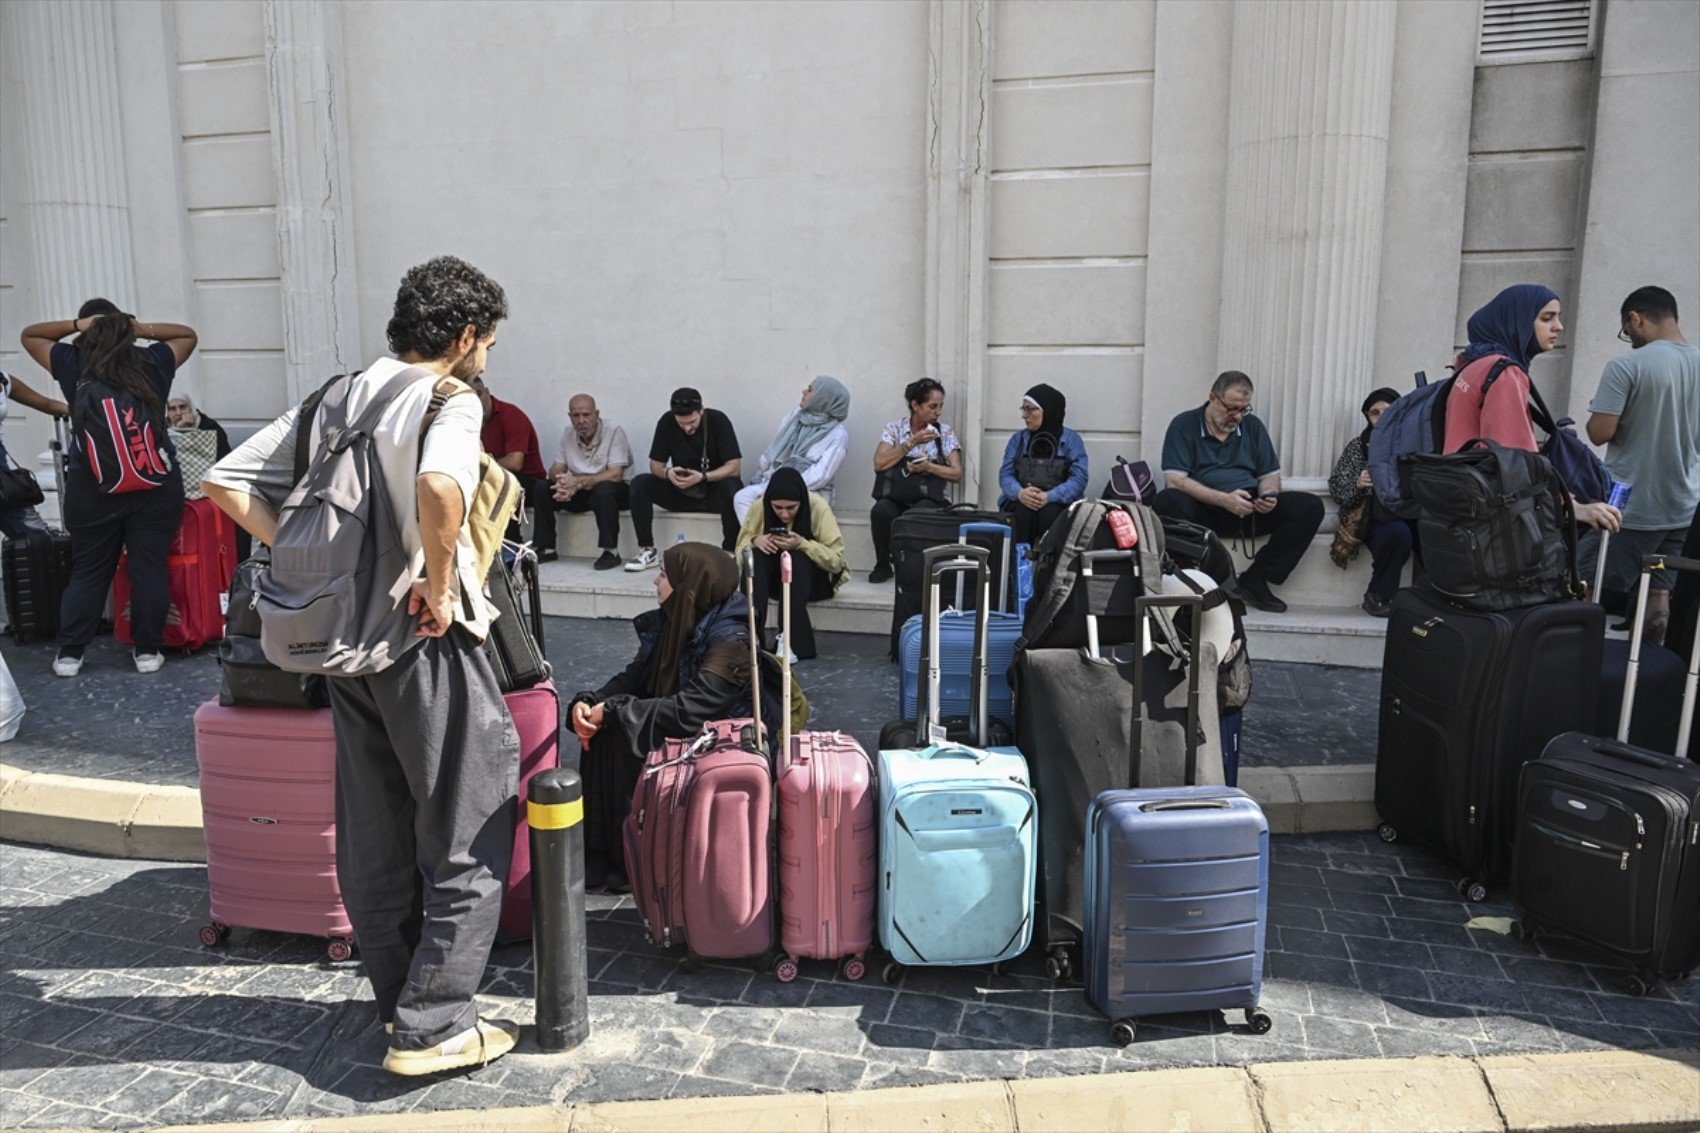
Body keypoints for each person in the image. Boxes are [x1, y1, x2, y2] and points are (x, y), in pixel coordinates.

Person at [202, 256, 519, 1076]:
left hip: (344, 647)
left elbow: (225, 480)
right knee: (471, 819)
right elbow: (443, 490)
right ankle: (436, 1024)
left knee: (375, 830)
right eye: (485, 342)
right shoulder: (447, 398)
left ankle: (401, 1002)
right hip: (423, 639)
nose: (486, 357)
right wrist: (439, 586)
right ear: (461, 337)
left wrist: (321, 564)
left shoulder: (335, 395)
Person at [570, 542, 763, 891]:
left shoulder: (732, 638)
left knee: (624, 730)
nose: (655, 582)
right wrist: (594, 701)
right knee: (604, 731)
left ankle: (634, 856)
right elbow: (636, 675)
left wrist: (616, 711)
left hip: (717, 741)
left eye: (663, 574)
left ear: (689, 584)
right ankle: (603, 853)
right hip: (684, 722)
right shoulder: (675, 616)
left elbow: (696, 708)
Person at [19, 301, 196, 675]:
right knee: (149, 567)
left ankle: (70, 654)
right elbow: (186, 334)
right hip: (155, 484)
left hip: (92, 486)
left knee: (89, 570)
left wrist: (78, 324)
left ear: (87, 330)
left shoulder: (72, 362)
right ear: (126, 327)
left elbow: (30, 335)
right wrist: (134, 328)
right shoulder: (153, 362)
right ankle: (147, 652)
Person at [1441, 283, 1622, 538]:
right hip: (1492, 517)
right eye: (1546, 318)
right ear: (1517, 321)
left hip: (1461, 503)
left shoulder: (1472, 365)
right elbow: (1514, 460)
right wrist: (1572, 506)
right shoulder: (1505, 373)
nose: (1558, 326)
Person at [1581, 286, 1699, 646]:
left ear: (1636, 318)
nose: (1628, 338)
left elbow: (1599, 433)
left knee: (1583, 582)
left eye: (1626, 329)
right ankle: (1644, 681)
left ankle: (1567, 676)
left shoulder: (1626, 365)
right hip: (1683, 503)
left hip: (1632, 506)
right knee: (1659, 591)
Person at [1152, 371, 1325, 614]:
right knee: (1168, 501)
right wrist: (1224, 499)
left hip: (1247, 507)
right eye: (1231, 408)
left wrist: (1269, 496)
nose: (1237, 416)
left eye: (1244, 409)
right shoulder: (1184, 424)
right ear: (1213, 398)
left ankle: (1255, 580)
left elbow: (1269, 475)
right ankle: (1201, 581)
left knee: (1310, 506)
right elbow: (1175, 480)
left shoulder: (1252, 427)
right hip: (1202, 512)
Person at [735, 466, 849, 660]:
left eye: (791, 508)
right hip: (774, 582)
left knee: (794, 557)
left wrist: (802, 544)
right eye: (778, 508)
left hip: (813, 582)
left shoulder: (818, 507)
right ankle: (751, 636)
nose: (784, 515)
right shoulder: (759, 507)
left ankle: (791, 641)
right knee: (754, 556)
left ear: (801, 502)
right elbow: (740, 553)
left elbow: (837, 561)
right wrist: (755, 540)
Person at [625, 388, 742, 568]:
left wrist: (703, 477)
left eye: (692, 422)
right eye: (681, 423)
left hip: (713, 492)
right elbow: (655, 465)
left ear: (702, 410)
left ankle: (729, 552)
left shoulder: (718, 420)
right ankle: (647, 550)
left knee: (732, 485)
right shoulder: (666, 421)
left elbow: (734, 467)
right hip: (680, 491)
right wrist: (668, 473)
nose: (687, 428)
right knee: (640, 483)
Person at [1329, 388, 1417, 617]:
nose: (1380, 418)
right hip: (1374, 516)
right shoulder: (1359, 446)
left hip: (1411, 512)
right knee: (1397, 534)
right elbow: (1338, 489)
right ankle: (1378, 595)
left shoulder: (1414, 443)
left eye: (1386, 411)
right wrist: (1358, 484)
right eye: (1374, 413)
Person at [868, 378, 962, 584]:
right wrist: (910, 443)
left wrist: (929, 467)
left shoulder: (944, 432)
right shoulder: (895, 428)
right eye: (932, 406)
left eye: (941, 406)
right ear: (915, 405)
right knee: (881, 510)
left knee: (920, 513)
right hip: (897, 495)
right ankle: (883, 564)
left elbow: (956, 473)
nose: (938, 412)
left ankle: (913, 568)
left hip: (928, 497)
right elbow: (879, 463)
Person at [731, 376, 851, 522]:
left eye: (810, 389)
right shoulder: (795, 416)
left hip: (810, 490)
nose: (804, 392)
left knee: (785, 504)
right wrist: (764, 480)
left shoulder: (837, 434)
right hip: (774, 481)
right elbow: (774, 450)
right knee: (742, 498)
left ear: (823, 398)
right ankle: (757, 541)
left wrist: (785, 488)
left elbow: (821, 475)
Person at [543, 394, 631, 571]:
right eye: (576, 416)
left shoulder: (614, 431)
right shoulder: (568, 433)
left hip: (614, 491)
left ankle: (611, 552)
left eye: (586, 414)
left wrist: (578, 483)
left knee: (604, 489)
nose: (581, 421)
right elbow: (557, 467)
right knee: (542, 488)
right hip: (581, 492)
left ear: (597, 414)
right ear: (570, 416)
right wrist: (561, 480)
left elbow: (616, 474)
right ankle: (546, 548)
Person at [998, 384, 1089, 547]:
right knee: (1021, 514)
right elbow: (1006, 474)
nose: (1024, 416)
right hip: (1022, 499)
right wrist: (1020, 493)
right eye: (1023, 409)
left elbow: (1079, 478)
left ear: (1047, 410)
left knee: (1051, 514)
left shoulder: (1071, 439)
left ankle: (1049, 569)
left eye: (1030, 409)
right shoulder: (1018, 439)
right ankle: (1019, 567)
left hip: (1057, 501)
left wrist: (1050, 496)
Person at [472, 374, 551, 556]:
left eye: (478, 395)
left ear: (486, 392)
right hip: (491, 478)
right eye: (469, 398)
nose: (475, 402)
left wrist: (484, 465)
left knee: (503, 484)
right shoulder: (467, 419)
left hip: (528, 482)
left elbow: (515, 463)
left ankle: (512, 546)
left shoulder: (511, 415)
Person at [0, 369, 67, 539]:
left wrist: (84, 411)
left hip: (2, 468)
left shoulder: (3, 379)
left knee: (33, 535)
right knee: (29, 531)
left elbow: (46, 404)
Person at [166, 393, 232, 458]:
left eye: (182, 407)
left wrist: (187, 430)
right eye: (172, 409)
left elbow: (223, 456)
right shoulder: (163, 427)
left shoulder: (210, 426)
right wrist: (180, 429)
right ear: (168, 413)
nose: (178, 412)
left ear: (190, 408)